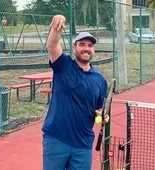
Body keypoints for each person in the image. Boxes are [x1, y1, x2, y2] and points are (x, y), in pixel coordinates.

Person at [42, 14, 109, 170]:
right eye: (82, 44)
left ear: (93, 50)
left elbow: (98, 112)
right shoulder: (63, 65)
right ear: (74, 48)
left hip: (83, 144)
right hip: (56, 139)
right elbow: (52, 45)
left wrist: (102, 117)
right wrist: (59, 21)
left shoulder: (100, 80)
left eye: (90, 45)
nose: (86, 48)